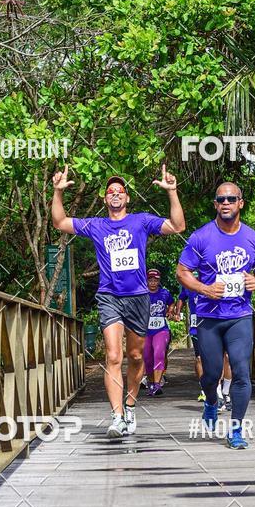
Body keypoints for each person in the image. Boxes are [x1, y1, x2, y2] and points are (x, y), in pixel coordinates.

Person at [51, 164, 185, 437]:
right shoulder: (96, 225)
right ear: (105, 199)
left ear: (127, 198)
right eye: (110, 191)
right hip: (109, 296)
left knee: (136, 356)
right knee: (113, 356)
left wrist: (172, 192)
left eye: (120, 191)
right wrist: (57, 192)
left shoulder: (140, 221)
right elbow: (60, 222)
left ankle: (131, 404)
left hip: (138, 297)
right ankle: (116, 416)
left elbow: (177, 225)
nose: (115, 194)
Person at [176, 181, 255, 449]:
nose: (226, 202)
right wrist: (204, 288)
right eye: (221, 199)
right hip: (209, 317)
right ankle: (210, 400)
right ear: (215, 204)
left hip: (239, 315)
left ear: (241, 203)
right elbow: (182, 272)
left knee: (241, 371)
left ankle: (237, 430)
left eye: (231, 198)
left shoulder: (253, 238)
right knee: (211, 374)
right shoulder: (201, 237)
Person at [144, 269, 175, 396]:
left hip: (161, 329)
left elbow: (172, 302)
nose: (153, 283)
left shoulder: (164, 293)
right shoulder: (142, 294)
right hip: (145, 330)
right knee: (147, 358)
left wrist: (170, 311)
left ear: (159, 280)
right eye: (150, 280)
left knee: (159, 353)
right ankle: (151, 383)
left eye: (155, 280)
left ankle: (157, 384)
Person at [177, 280, 204, 401]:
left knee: (215, 358)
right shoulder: (188, 282)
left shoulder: (212, 278)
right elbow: (181, 298)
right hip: (195, 328)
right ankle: (203, 388)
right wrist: (178, 312)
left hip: (211, 325)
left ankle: (221, 389)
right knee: (199, 358)